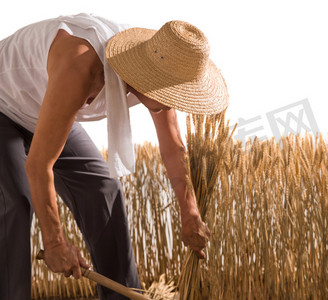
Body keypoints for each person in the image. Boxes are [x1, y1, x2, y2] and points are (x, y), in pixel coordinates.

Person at [0, 13, 228, 299]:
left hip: (42, 108)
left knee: (104, 190)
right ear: (149, 77)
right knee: (15, 202)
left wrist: (189, 212)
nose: (175, 102)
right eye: (172, 93)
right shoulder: (82, 66)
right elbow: (38, 165)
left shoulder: (161, 70)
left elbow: (173, 147)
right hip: (3, 107)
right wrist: (55, 242)